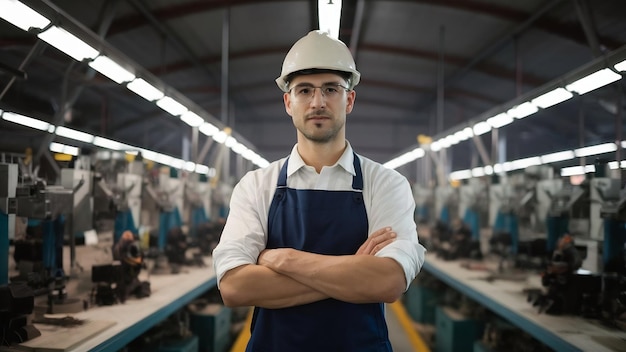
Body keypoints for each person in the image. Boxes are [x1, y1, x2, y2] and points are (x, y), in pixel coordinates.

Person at [212, 30, 426, 351]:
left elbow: (388, 281)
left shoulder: (386, 184)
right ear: (288, 102)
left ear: (349, 99)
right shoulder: (257, 186)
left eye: (331, 89)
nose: (318, 102)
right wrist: (353, 271)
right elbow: (234, 288)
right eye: (304, 90)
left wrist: (282, 259)